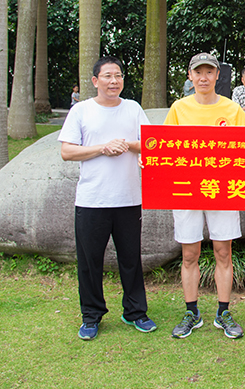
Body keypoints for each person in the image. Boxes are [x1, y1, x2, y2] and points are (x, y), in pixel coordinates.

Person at [58, 56, 156, 341]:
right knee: (90, 262)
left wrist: (125, 145)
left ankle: (135, 312)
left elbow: (150, 143)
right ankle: (91, 316)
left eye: (118, 76)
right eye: (108, 76)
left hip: (129, 198)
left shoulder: (133, 108)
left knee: (131, 259)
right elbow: (67, 151)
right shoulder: (81, 110)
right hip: (92, 200)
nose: (114, 81)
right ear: (95, 81)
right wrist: (103, 148)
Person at [165, 52, 245, 339]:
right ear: (190, 76)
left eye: (209, 72)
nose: (203, 78)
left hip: (223, 190)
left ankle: (223, 312)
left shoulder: (232, 110)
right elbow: (164, 147)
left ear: (217, 76)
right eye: (198, 72)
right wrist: (150, 160)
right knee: (189, 254)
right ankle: (192, 312)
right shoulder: (178, 108)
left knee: (223, 252)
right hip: (186, 189)